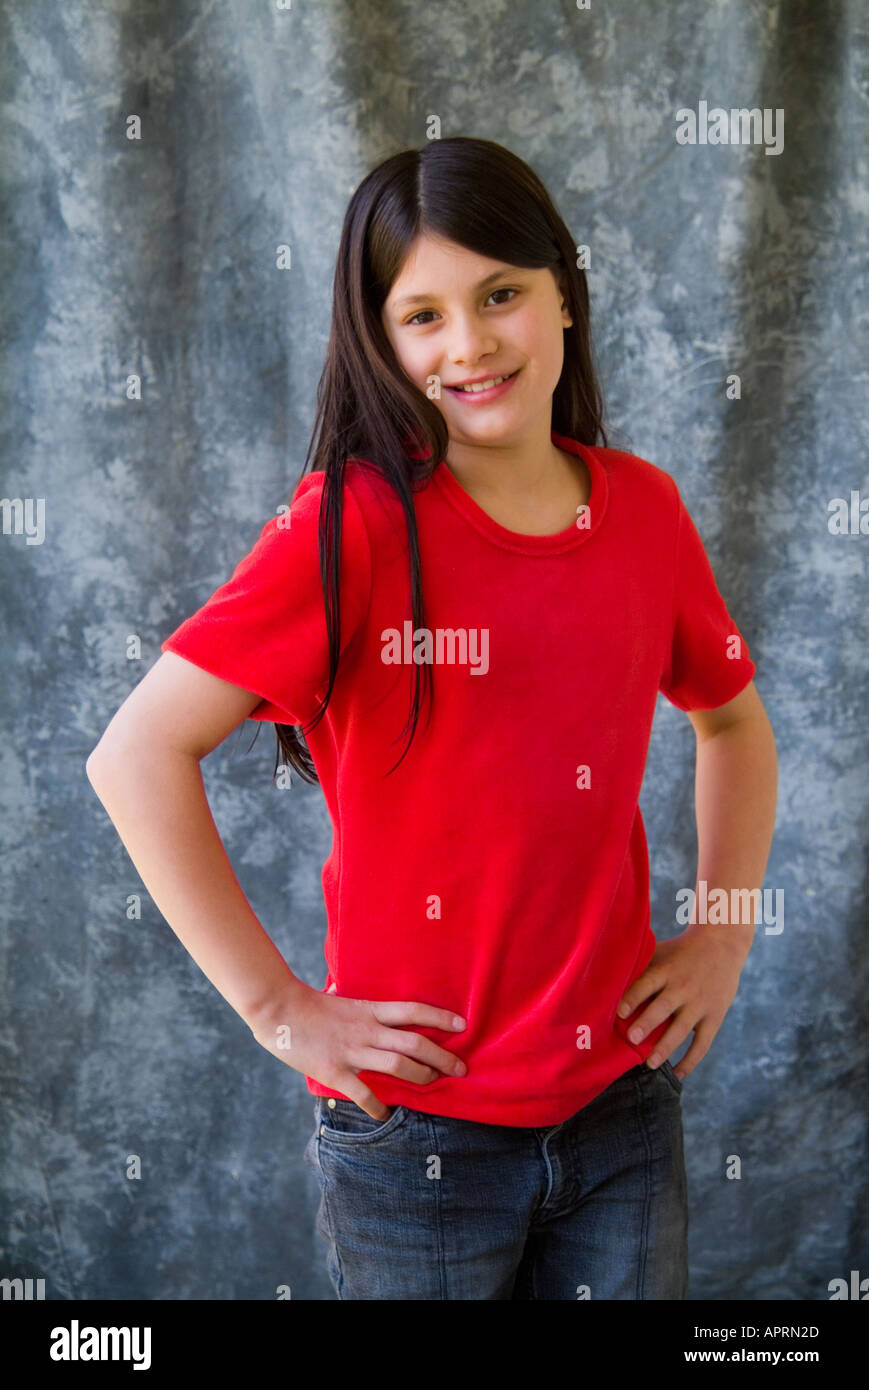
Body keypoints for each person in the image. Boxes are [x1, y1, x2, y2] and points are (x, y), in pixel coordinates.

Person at [86, 136, 778, 1300]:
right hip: (416, 1141)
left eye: (499, 294)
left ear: (562, 288)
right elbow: (136, 752)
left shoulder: (646, 514)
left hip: (619, 1113)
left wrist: (721, 932)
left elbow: (734, 726)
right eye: (422, 316)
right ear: (382, 341)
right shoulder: (353, 526)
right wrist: (278, 1010)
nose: (468, 344)